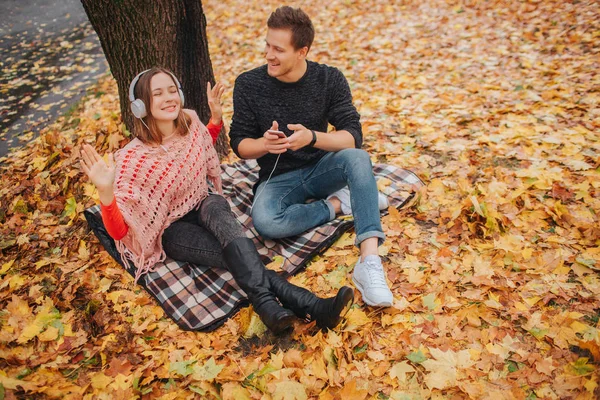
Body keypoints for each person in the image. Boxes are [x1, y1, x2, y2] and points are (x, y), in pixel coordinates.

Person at [79, 67, 354, 334]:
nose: (168, 98)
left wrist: (215, 120)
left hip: (204, 201)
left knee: (219, 211)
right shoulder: (132, 158)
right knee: (234, 257)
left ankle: (269, 306)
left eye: (172, 90)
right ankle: (311, 305)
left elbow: (199, 149)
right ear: (141, 105)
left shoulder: (189, 121)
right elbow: (121, 231)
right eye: (158, 94)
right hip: (172, 228)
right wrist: (105, 193)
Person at [229, 6, 394, 307]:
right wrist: (265, 145)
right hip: (278, 179)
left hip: (322, 170)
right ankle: (339, 204)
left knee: (358, 159)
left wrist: (313, 138)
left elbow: (352, 136)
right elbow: (239, 144)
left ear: (302, 51)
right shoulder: (248, 84)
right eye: (267, 45)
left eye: (278, 49)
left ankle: (369, 263)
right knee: (266, 222)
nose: (268, 55)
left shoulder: (329, 79)